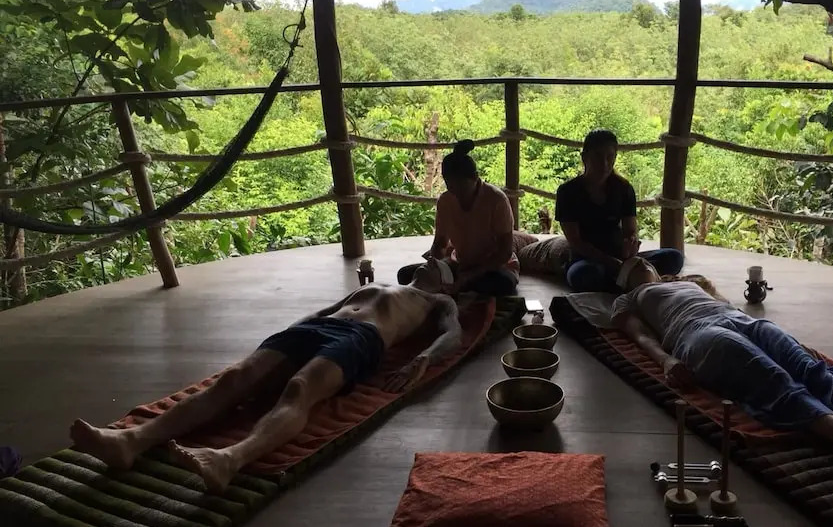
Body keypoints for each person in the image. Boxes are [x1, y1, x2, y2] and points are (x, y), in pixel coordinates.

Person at [69, 260, 464, 492]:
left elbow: (454, 334)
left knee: (300, 388)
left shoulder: (438, 300)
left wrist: (424, 357)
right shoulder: (380, 284)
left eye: (437, 264)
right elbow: (324, 309)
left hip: (363, 338)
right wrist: (289, 335)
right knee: (235, 378)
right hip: (317, 327)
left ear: (446, 280)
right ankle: (131, 440)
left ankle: (229, 459)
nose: (429, 261)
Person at [610, 257, 833, 468]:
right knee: (773, 379)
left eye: (644, 260)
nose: (640, 262)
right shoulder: (628, 299)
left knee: (809, 368)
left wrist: (791, 341)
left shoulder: (685, 281)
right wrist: (667, 360)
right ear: (626, 281)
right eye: (632, 265)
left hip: (739, 320)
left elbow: (728, 305)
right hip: (695, 333)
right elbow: (640, 336)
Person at [555, 129, 683, 293]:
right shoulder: (568, 192)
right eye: (598, 157)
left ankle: (622, 280)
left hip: (620, 257)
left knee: (674, 258)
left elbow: (630, 230)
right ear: (584, 157)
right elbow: (575, 242)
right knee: (583, 275)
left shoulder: (623, 189)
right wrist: (612, 262)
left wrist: (630, 246)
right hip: (587, 259)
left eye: (610, 157)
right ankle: (632, 280)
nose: (604, 163)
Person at [397, 139, 519, 296]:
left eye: (462, 187)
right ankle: (458, 287)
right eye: (451, 187)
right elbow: (440, 243)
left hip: (493, 267)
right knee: (406, 275)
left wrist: (470, 275)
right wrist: (434, 265)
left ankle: (460, 287)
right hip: (459, 265)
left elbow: (504, 252)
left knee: (502, 284)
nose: (457, 193)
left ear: (475, 178)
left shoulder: (496, 200)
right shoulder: (446, 200)